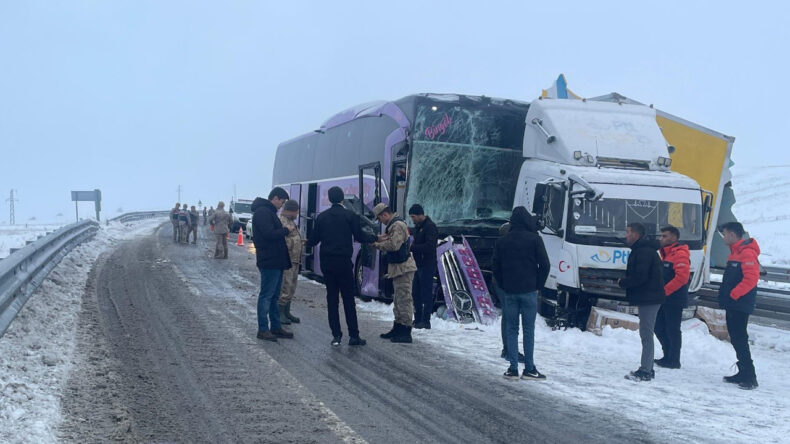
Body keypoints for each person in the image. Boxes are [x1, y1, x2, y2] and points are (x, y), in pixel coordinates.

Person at [306, 186, 376, 346]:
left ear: (330, 199)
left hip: (327, 263)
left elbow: (314, 240)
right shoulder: (350, 215)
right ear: (343, 199)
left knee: (332, 299)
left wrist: (306, 242)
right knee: (348, 299)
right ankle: (354, 336)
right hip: (344, 262)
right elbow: (359, 236)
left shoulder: (322, 217)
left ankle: (336, 335)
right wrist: (374, 237)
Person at [493, 207, 550, 380]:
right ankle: (530, 369)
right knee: (528, 329)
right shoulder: (535, 239)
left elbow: (495, 266)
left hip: (509, 291)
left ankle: (512, 368)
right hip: (529, 291)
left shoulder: (503, 241)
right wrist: (537, 285)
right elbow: (545, 265)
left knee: (511, 329)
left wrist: (504, 285)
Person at [618, 222, 665, 382]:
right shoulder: (643, 250)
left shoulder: (643, 251)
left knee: (646, 333)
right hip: (649, 296)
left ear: (636, 235)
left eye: (629, 232)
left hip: (649, 298)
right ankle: (647, 367)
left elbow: (640, 276)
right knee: (646, 332)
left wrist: (622, 283)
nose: (626, 235)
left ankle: (646, 370)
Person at [719, 222, 760, 390]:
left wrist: (734, 294)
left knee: (740, 338)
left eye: (726, 234)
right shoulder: (735, 252)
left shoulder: (746, 253)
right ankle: (743, 371)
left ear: (733, 235)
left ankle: (750, 376)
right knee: (736, 338)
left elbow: (751, 279)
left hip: (740, 303)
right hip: (734, 303)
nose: (724, 237)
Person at [251, 188, 294, 342]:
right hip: (269, 260)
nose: (281, 206)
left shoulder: (268, 212)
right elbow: (268, 234)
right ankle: (263, 329)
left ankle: (275, 326)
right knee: (266, 295)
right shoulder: (263, 212)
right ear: (275, 198)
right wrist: (285, 230)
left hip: (275, 260)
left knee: (274, 296)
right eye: (281, 202)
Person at [372, 203, 417, 344]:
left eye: (380, 219)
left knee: (404, 300)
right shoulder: (394, 225)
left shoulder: (397, 225)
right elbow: (390, 239)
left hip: (403, 268)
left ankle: (405, 331)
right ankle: (398, 327)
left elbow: (393, 245)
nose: (380, 222)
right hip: (398, 268)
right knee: (398, 300)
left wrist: (376, 245)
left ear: (384, 214)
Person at [654, 226, 690, 369]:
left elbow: (682, 277)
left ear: (674, 238)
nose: (661, 239)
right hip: (664, 297)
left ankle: (674, 359)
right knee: (659, 327)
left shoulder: (680, 254)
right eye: (661, 236)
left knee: (672, 328)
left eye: (665, 236)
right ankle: (667, 355)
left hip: (674, 299)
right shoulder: (666, 254)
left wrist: (665, 291)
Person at [496, 222, 525, 364]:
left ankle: (507, 348)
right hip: (506, 285)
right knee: (509, 316)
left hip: (502, 283)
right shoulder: (507, 247)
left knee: (507, 316)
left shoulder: (501, 246)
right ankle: (509, 350)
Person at [408, 204, 438, 329]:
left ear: (421, 215)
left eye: (414, 217)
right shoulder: (418, 227)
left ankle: (426, 320)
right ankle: (418, 318)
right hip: (418, 264)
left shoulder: (430, 227)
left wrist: (413, 248)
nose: (412, 219)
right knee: (416, 293)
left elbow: (430, 247)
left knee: (426, 293)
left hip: (427, 265)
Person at [278, 199, 303, 325]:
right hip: (287, 259)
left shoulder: (291, 221)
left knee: (292, 286)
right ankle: (280, 312)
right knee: (285, 286)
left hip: (294, 259)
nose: (297, 214)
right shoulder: (282, 222)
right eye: (296, 212)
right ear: (290, 211)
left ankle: (287, 311)